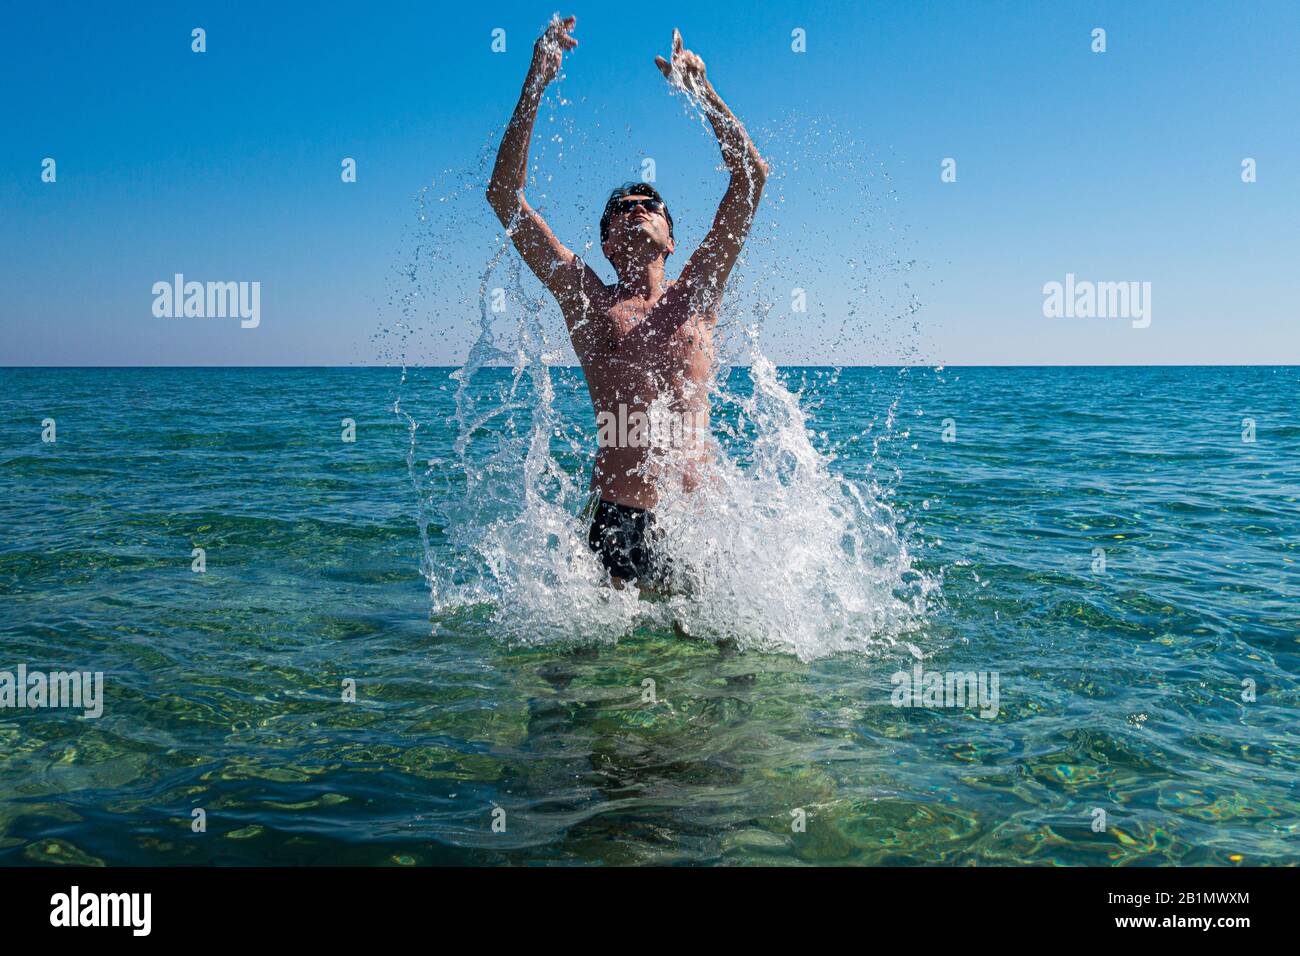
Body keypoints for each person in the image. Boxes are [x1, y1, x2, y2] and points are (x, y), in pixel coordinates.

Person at [486, 15, 768, 589]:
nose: (636, 207)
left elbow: (750, 179)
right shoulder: (587, 299)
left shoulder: (699, 292)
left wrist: (704, 93)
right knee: (584, 680)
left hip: (698, 524)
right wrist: (535, 83)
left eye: (650, 203)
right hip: (617, 521)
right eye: (622, 207)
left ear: (671, 235)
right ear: (608, 242)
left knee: (727, 677)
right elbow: (505, 198)